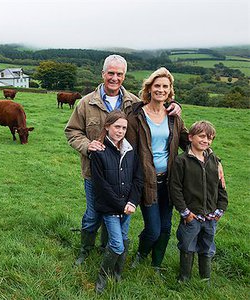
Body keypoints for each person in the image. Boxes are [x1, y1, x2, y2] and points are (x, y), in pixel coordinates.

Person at [65, 55, 181, 266]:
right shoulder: (86, 103)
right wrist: (86, 146)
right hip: (94, 172)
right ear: (103, 74)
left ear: (124, 76)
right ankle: (85, 249)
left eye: (119, 74)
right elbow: (72, 131)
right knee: (93, 215)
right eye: (111, 73)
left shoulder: (134, 104)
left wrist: (174, 105)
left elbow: (158, 106)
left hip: (124, 175)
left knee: (118, 214)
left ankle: (107, 249)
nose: (114, 78)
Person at [126, 67, 189, 274]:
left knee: (165, 228)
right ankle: (141, 254)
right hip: (147, 181)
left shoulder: (174, 117)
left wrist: (213, 161)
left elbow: (187, 142)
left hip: (170, 181)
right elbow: (130, 150)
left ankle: (156, 264)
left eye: (165, 86)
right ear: (149, 89)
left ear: (170, 91)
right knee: (153, 229)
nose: (161, 90)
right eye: (157, 86)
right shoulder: (137, 117)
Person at [89, 111, 143, 293]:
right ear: (107, 127)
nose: (120, 131)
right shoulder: (99, 152)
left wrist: (133, 202)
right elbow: (100, 185)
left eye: (124, 128)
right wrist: (121, 205)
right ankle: (102, 277)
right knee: (117, 244)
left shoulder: (130, 151)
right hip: (111, 208)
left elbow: (138, 178)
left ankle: (117, 273)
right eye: (117, 127)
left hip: (128, 207)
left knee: (124, 238)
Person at [170, 121, 228, 282]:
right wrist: (185, 212)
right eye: (202, 136)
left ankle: (205, 278)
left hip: (211, 216)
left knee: (207, 246)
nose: (206, 141)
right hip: (191, 216)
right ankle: (184, 278)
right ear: (190, 137)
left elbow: (221, 186)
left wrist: (220, 209)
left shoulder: (214, 160)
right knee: (187, 246)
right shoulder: (181, 161)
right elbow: (175, 189)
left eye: (210, 138)